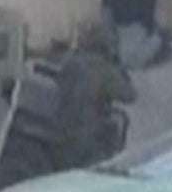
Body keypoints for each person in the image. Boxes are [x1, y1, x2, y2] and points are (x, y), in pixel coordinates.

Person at [54, 19, 137, 168]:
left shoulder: (70, 61)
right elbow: (130, 94)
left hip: (61, 129)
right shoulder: (104, 69)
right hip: (89, 134)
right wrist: (118, 65)